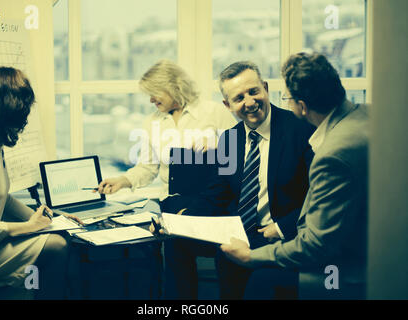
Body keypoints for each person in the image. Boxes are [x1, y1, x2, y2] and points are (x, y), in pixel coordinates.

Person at [157, 61, 315, 299]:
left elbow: (317, 195)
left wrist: (282, 227)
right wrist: (181, 218)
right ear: (228, 105)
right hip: (236, 229)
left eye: (253, 92)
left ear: (265, 87)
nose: (249, 102)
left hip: (278, 232)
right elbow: (217, 195)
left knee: (227, 256)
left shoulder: (300, 129)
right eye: (239, 98)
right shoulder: (231, 139)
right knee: (176, 242)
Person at [221, 52, 369, 300]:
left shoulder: (328, 151)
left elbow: (316, 245)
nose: (249, 102)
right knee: (225, 259)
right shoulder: (369, 114)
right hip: (257, 232)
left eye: (287, 98)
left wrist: (251, 255)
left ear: (301, 106)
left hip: (345, 264)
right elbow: (221, 192)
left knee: (261, 280)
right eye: (238, 97)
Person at [0, 66, 81, 299]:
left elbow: (1, 197)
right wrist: (30, 226)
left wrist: (50, 218)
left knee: (59, 236)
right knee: (56, 247)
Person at [96, 59, 237, 199]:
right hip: (172, 205)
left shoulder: (215, 111)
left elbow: (242, 153)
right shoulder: (152, 122)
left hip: (216, 203)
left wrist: (219, 145)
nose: (151, 100)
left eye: (154, 93)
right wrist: (122, 181)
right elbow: (147, 168)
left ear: (174, 88)